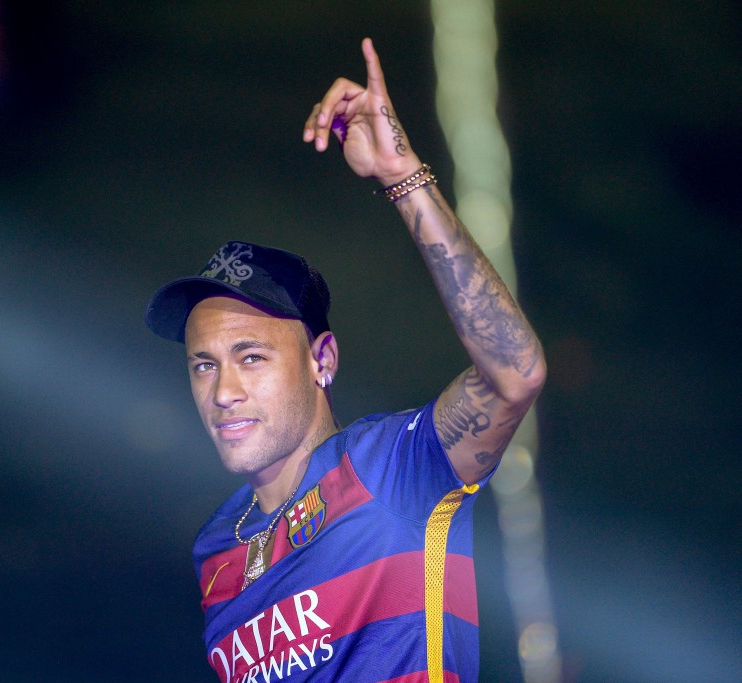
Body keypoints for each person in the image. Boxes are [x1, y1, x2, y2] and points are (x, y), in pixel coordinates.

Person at [144, 38, 545, 683]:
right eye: (204, 364)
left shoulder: (393, 468)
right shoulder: (216, 547)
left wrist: (401, 177)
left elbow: (513, 373)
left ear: (321, 358)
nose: (223, 391)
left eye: (251, 356)